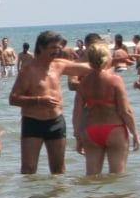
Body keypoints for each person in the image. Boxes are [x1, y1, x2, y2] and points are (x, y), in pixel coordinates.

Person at [7, 30, 92, 174]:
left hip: (56, 122)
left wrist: (114, 61)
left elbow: (89, 68)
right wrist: (39, 100)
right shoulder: (28, 71)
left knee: (58, 169)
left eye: (58, 48)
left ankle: (57, 197)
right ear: (41, 47)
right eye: (53, 47)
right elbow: (13, 99)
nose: (57, 51)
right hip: (33, 122)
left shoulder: (59, 65)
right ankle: (32, 196)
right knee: (28, 169)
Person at [72, 42, 140, 174]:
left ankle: (93, 195)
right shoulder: (115, 80)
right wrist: (135, 134)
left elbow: (77, 112)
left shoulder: (83, 83)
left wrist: (78, 135)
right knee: (117, 177)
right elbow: (125, 111)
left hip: (91, 131)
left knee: (91, 177)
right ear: (107, 58)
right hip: (114, 130)